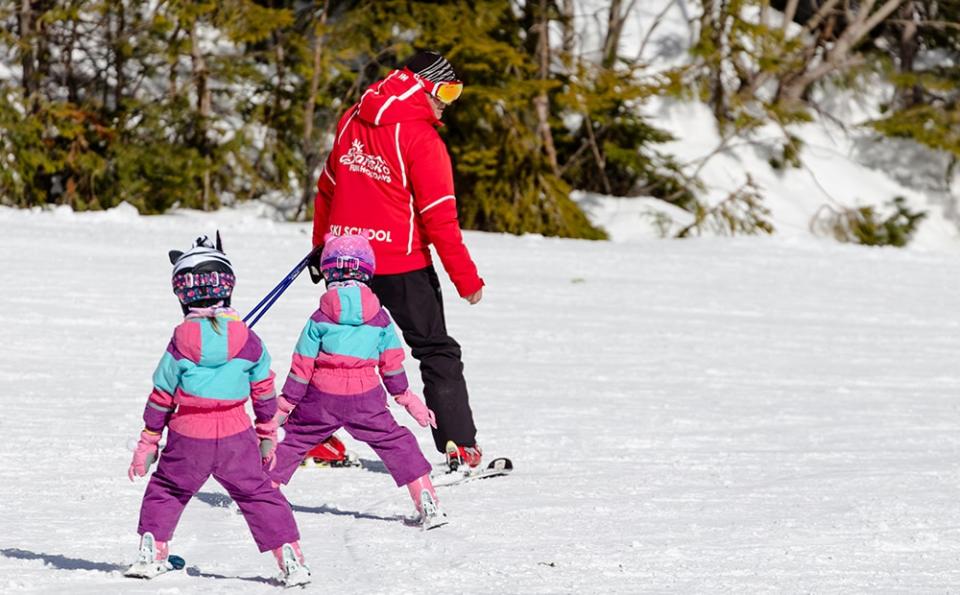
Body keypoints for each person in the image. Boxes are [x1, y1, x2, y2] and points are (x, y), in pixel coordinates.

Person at [310, 49, 485, 472]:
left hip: (346, 263)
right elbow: (440, 217)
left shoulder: (353, 116)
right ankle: (458, 444)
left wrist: (323, 248)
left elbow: (327, 187)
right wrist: (466, 279)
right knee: (435, 350)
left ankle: (314, 438)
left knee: (337, 352)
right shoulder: (422, 139)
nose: (448, 101)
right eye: (446, 90)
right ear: (422, 86)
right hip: (401, 264)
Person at [126, 234, 310, 586]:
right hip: (234, 436)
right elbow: (264, 390)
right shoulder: (247, 340)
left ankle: (151, 551)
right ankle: (289, 557)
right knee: (257, 494)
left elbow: (161, 395)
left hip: (187, 436)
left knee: (166, 488)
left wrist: (149, 441)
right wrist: (268, 433)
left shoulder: (179, 343)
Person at [269, 234, 448, 529]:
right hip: (366, 397)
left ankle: (266, 496)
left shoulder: (319, 318)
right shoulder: (379, 318)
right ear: (368, 270)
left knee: (296, 440)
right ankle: (426, 498)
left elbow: (301, 365)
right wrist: (406, 398)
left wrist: (285, 404)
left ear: (327, 271)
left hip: (321, 397)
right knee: (397, 442)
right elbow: (391, 364)